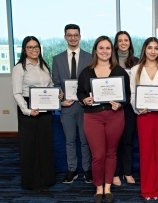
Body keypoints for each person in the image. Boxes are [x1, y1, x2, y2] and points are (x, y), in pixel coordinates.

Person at [77, 36, 130, 203]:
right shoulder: (86, 72)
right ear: (95, 50)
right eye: (101, 48)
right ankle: (98, 187)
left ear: (111, 51)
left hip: (114, 116)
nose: (105, 51)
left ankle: (107, 187)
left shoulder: (119, 71)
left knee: (111, 153)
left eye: (108, 48)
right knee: (98, 155)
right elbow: (80, 93)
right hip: (93, 117)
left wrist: (120, 104)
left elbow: (127, 96)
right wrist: (84, 100)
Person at [130, 37, 158, 200]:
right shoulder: (135, 69)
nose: (153, 51)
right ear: (144, 49)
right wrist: (137, 107)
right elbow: (133, 95)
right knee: (146, 153)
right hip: (144, 116)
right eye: (150, 48)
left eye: (156, 48)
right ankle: (147, 189)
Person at [12, 36, 56, 191]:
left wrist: (59, 94)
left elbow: (49, 85)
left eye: (36, 46)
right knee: (30, 146)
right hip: (28, 109)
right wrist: (28, 110)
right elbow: (17, 93)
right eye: (30, 47)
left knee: (45, 144)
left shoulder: (44, 65)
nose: (33, 49)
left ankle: (46, 179)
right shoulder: (19, 68)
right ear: (24, 49)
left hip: (45, 109)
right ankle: (32, 181)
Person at [52, 24, 92, 184]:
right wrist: (61, 98)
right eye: (70, 35)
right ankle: (72, 170)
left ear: (80, 36)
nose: (73, 38)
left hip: (85, 106)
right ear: (65, 37)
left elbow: (92, 81)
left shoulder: (90, 57)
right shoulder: (57, 59)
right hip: (67, 106)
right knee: (69, 140)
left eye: (76, 35)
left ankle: (87, 170)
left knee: (85, 140)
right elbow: (55, 83)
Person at [112, 31, 139, 186]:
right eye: (120, 40)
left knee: (128, 141)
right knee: (114, 141)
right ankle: (115, 173)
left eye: (126, 40)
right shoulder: (110, 61)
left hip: (129, 107)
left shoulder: (136, 62)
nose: (123, 43)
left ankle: (127, 172)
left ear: (130, 43)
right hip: (113, 106)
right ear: (116, 43)